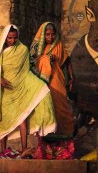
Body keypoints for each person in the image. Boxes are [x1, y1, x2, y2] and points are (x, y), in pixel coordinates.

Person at [0, 24, 56, 159]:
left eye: (15, 38)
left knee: (23, 118)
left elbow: (25, 71)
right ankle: (3, 151)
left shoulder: (22, 49)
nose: (12, 41)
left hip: (20, 87)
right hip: (5, 91)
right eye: (10, 38)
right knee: (3, 120)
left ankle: (24, 149)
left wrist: (37, 84)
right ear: (5, 37)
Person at [30, 22, 75, 159]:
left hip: (58, 82)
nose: (50, 36)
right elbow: (31, 64)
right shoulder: (37, 48)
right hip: (44, 85)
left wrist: (71, 78)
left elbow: (66, 62)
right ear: (43, 35)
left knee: (63, 112)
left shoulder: (59, 45)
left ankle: (64, 152)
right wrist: (45, 60)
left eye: (52, 34)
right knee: (46, 115)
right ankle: (46, 152)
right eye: (48, 34)